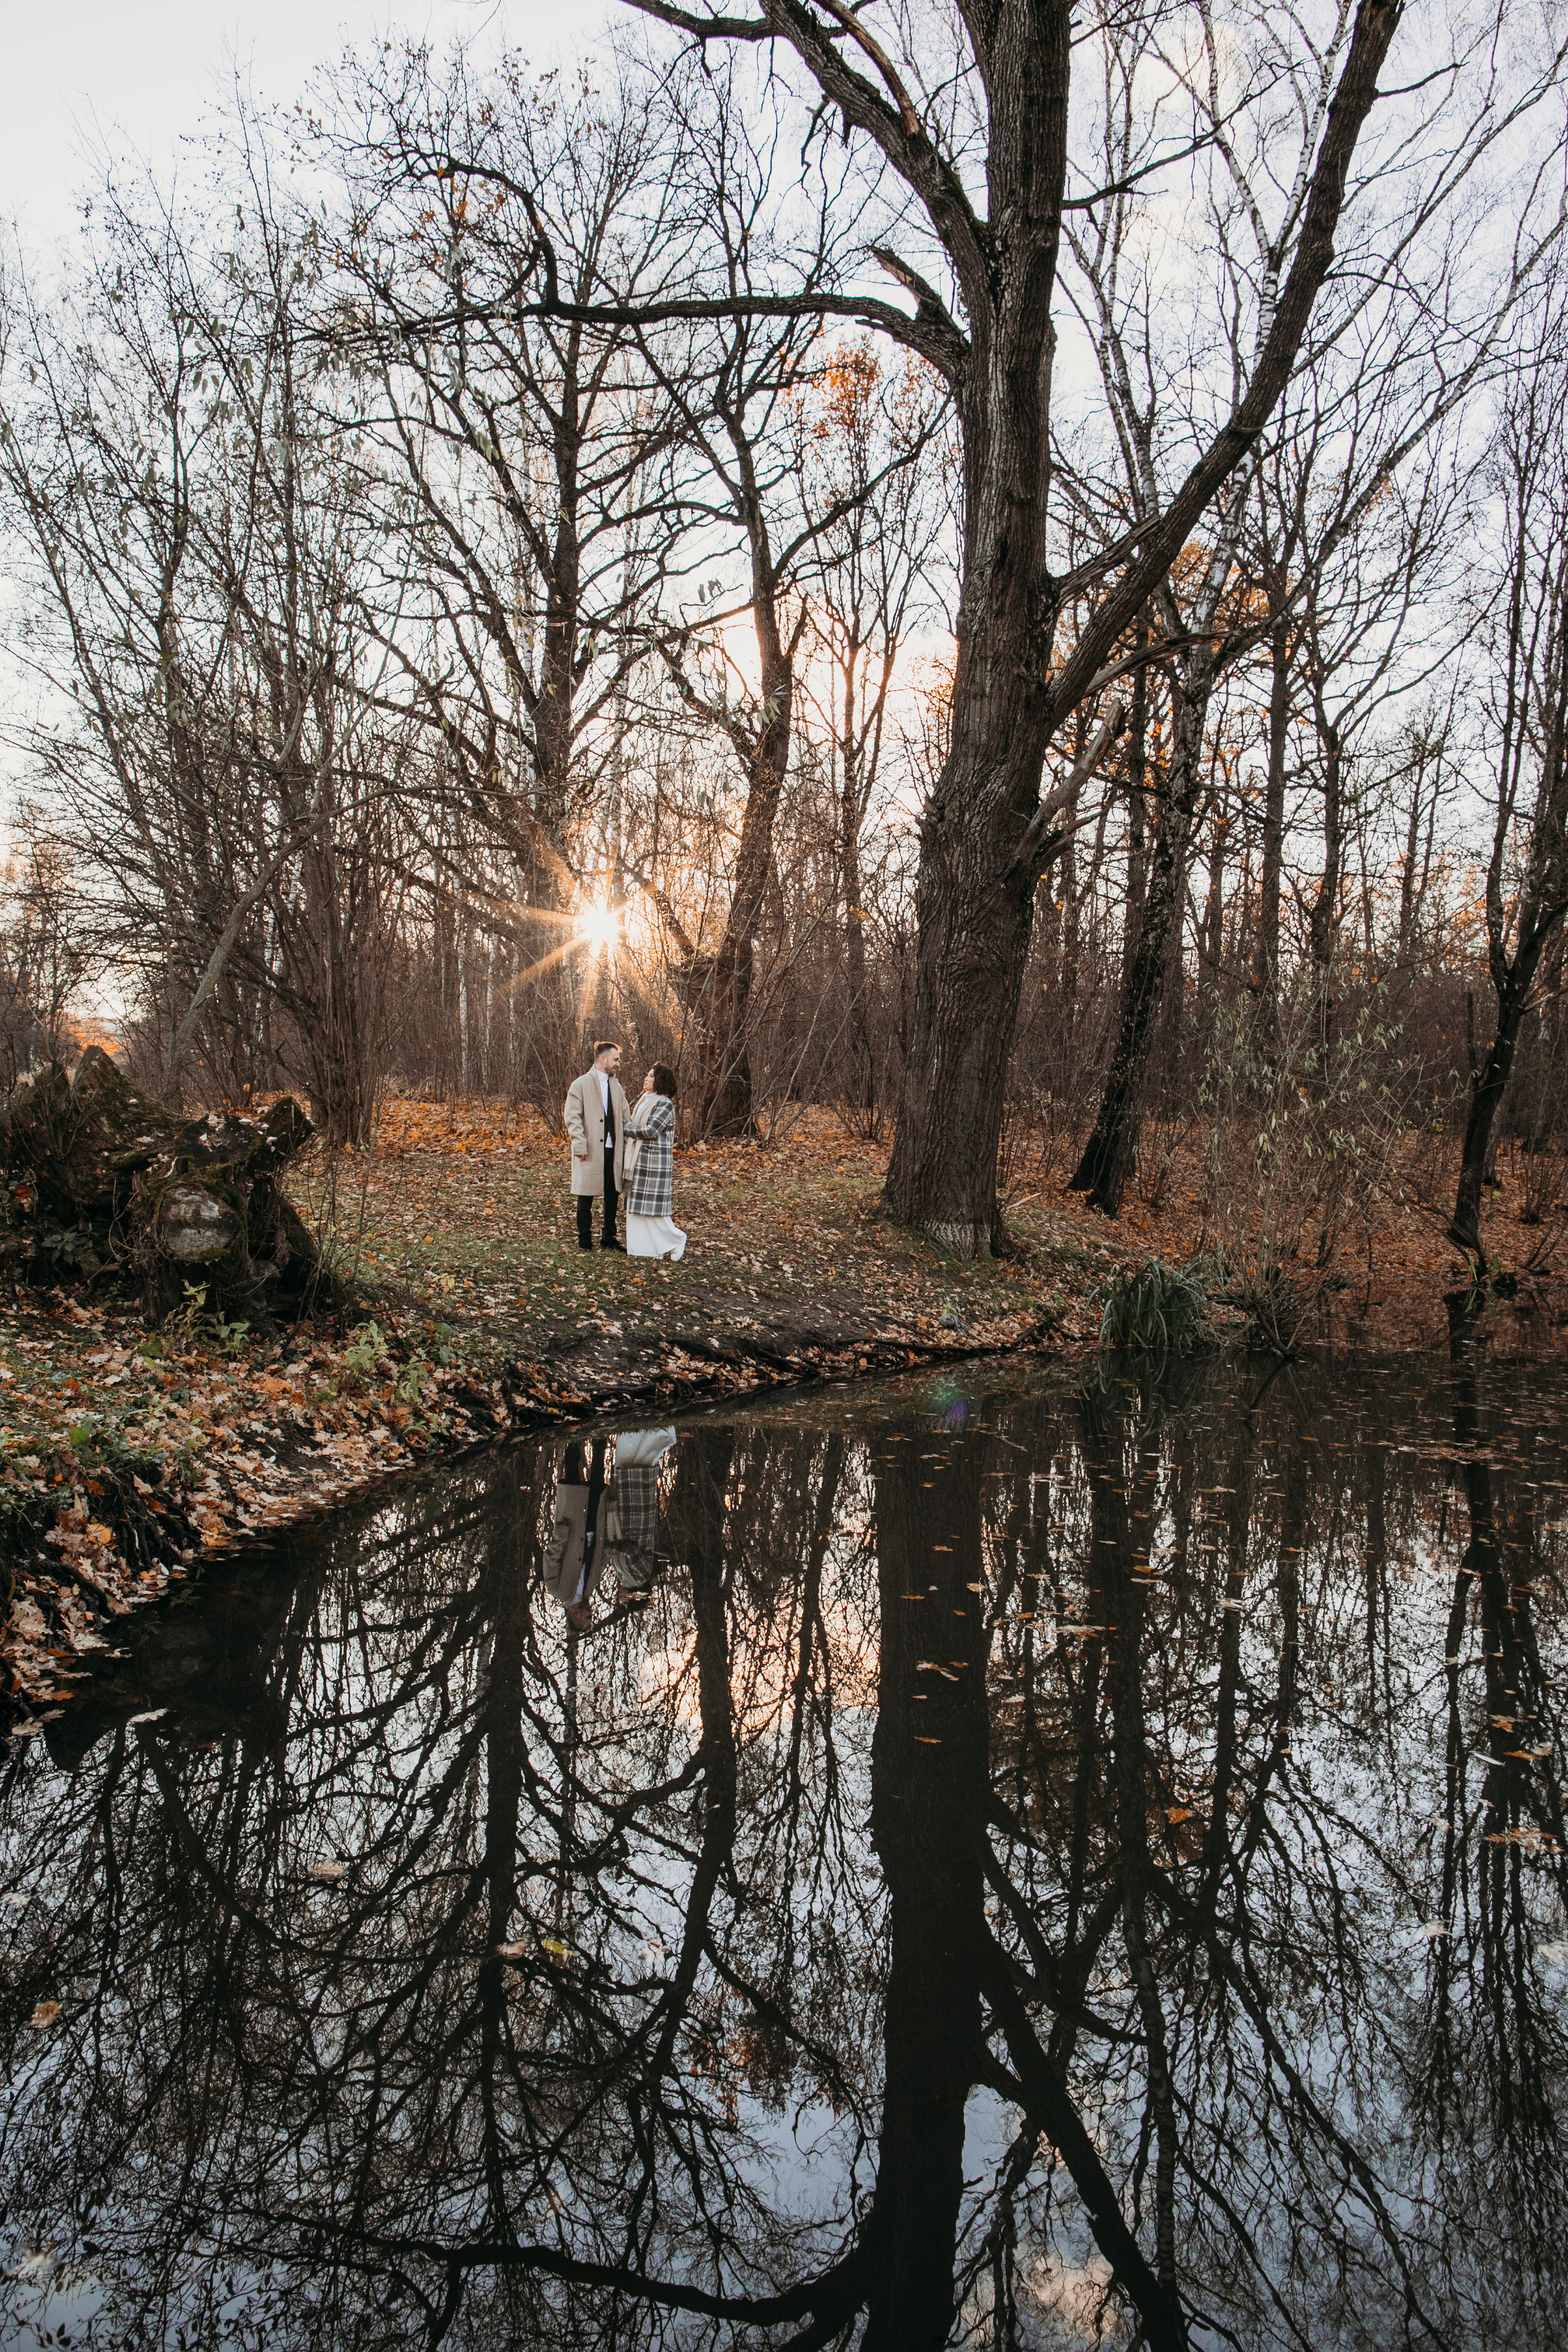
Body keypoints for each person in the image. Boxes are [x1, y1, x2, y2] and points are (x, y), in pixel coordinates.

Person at [564, 1040, 629, 1252]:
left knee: (613, 1194)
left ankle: (608, 1238)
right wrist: (580, 1145)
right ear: (603, 1059)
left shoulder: (616, 1086)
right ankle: (584, 1240)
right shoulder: (580, 1084)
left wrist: (628, 1143)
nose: (618, 1064)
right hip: (590, 1149)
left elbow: (625, 1116)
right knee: (585, 1195)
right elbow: (573, 1118)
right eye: (616, 1059)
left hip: (613, 1150)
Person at [624, 1063, 685, 1261]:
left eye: (651, 1076)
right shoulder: (645, 1099)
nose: (646, 1078)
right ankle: (644, 1249)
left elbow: (651, 1130)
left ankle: (677, 1239)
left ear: (660, 1081)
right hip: (639, 1160)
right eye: (647, 1075)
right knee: (637, 1207)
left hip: (654, 1163)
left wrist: (626, 1127)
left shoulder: (664, 1103)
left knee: (654, 1210)